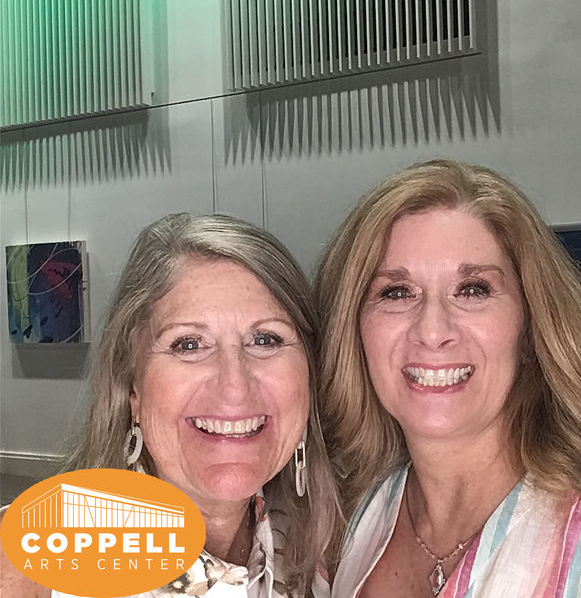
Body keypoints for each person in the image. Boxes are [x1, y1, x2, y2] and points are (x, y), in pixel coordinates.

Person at [316, 160, 581, 597]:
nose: (433, 330)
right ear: (353, 328)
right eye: (396, 292)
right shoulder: (346, 527)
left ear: (530, 328)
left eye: (473, 290)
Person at [1, 213, 340, 598]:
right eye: (189, 344)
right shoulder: (26, 565)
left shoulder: (323, 546)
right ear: (133, 388)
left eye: (265, 339)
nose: (234, 387)